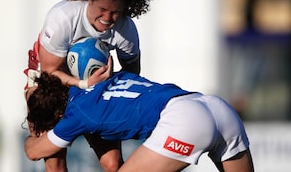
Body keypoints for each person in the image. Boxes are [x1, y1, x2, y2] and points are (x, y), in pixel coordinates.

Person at [23, 0, 154, 171]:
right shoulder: (63, 18)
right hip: (47, 84)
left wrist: (105, 83)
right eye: (103, 10)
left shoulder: (126, 29)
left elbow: (132, 74)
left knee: (113, 164)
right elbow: (49, 72)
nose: (108, 18)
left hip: (93, 88)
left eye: (115, 13)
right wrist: (84, 84)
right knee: (55, 164)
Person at [24, 66, 254, 172]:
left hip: (184, 121)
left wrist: (34, 129)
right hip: (217, 108)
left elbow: (34, 151)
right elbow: (111, 163)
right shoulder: (102, 81)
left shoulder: (76, 113)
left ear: (58, 115)